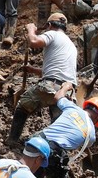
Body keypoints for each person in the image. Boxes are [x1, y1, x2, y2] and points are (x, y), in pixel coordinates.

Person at [7, 13, 77, 148]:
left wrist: (31, 30)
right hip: (67, 91)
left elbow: (33, 42)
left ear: (50, 25)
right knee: (57, 122)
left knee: (23, 106)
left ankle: (12, 141)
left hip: (51, 85)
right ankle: (54, 151)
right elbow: (58, 72)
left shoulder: (53, 34)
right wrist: (32, 70)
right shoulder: (70, 45)